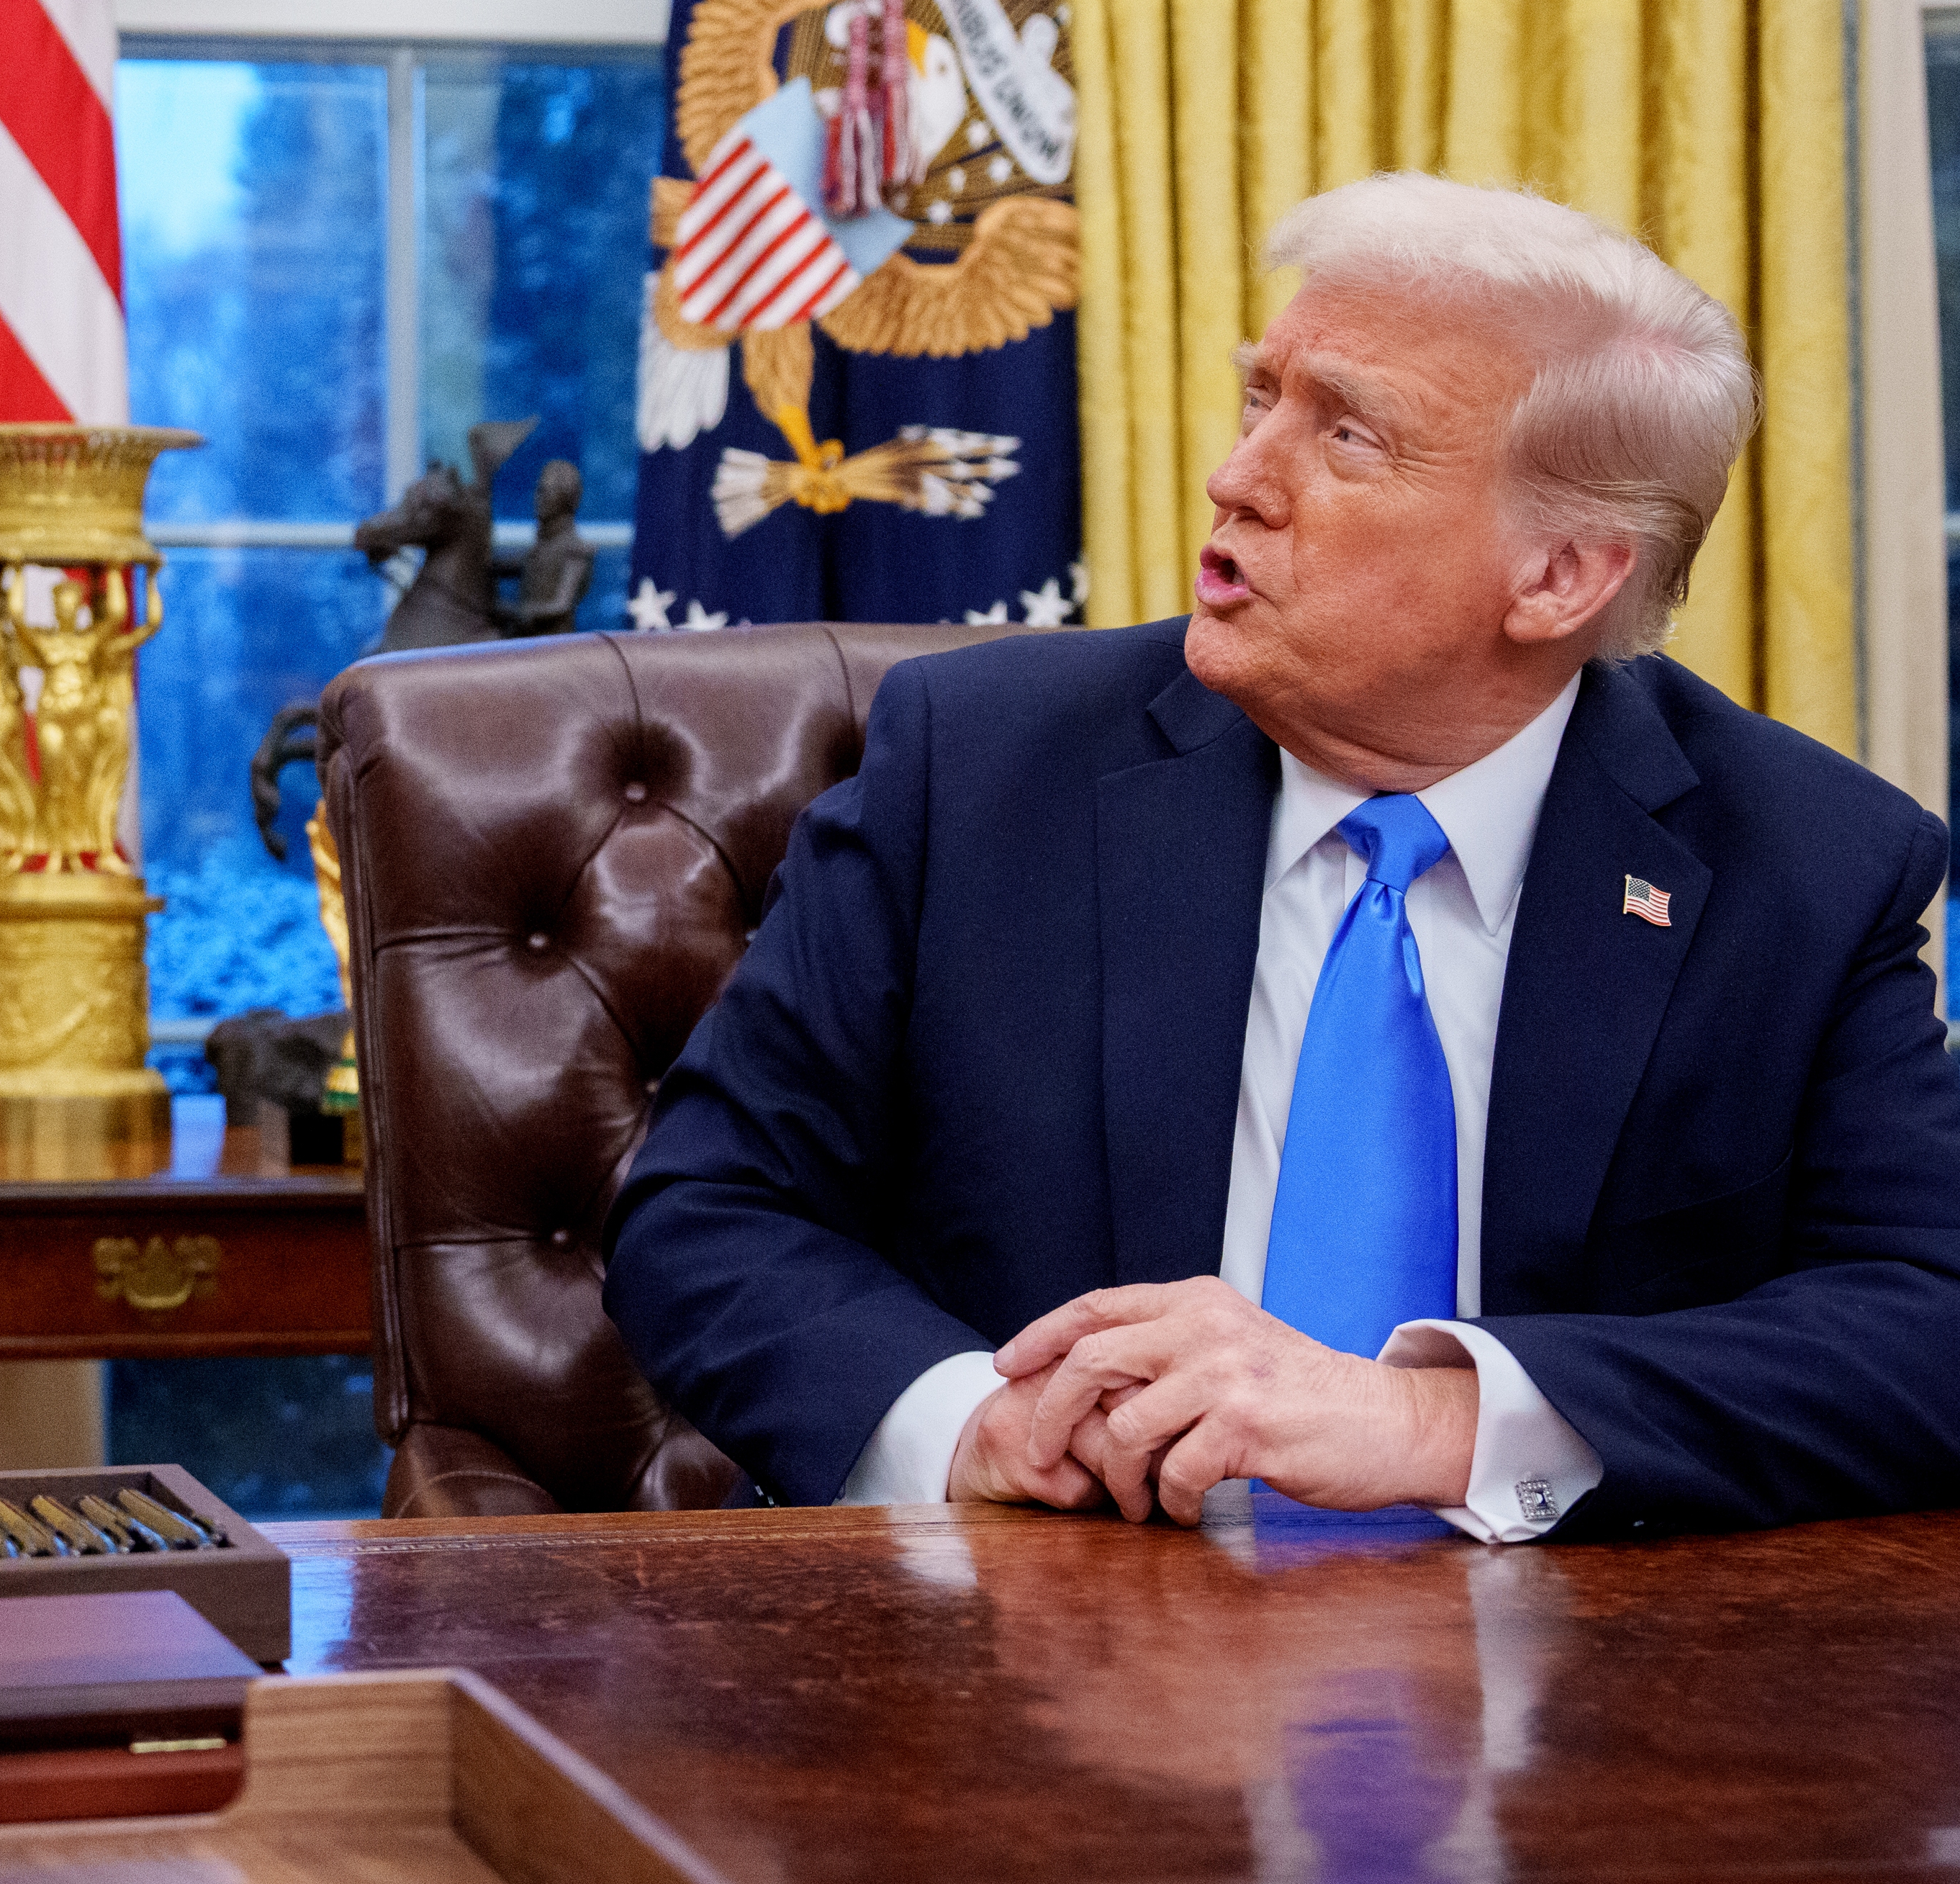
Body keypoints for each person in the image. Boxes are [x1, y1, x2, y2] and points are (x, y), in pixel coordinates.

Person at [607, 174, 1960, 1539]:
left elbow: (1929, 1318)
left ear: (1558, 577)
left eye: (1349, 436)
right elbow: (706, 1210)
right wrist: (975, 1427)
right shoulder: (978, 767)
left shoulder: (1802, 863)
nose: (1237, 476)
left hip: (1578, 1682)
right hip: (1043, 1650)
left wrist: (1440, 1421)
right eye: (1263, 398)